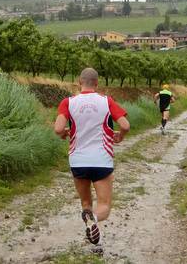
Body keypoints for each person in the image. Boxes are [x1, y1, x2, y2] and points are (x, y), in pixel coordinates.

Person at [54, 67, 130, 246]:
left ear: (79, 82)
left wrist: (65, 133)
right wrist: (120, 135)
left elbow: (58, 129)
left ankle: (90, 223)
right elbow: (125, 125)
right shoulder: (106, 101)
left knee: (86, 202)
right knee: (104, 205)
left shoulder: (68, 102)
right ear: (96, 83)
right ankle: (94, 219)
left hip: (78, 160)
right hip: (101, 160)